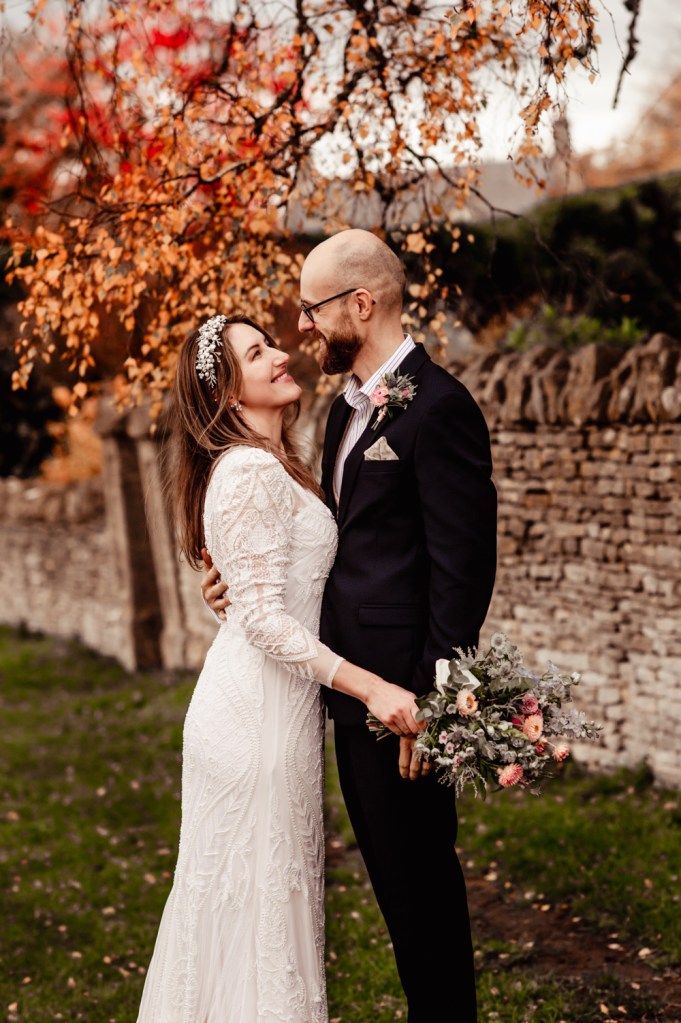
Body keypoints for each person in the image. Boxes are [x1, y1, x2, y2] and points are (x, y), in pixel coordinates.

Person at [204, 229, 498, 1022]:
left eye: (311, 309)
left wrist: (432, 710)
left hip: (398, 703)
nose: (302, 328)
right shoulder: (338, 415)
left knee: (424, 899)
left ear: (360, 305)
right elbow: (328, 547)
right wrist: (239, 582)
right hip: (345, 701)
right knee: (398, 899)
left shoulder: (438, 409)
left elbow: (462, 575)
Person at [136, 313, 422, 1023]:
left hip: (274, 711)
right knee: (253, 911)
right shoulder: (249, 471)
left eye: (270, 342)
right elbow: (263, 620)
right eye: (256, 353)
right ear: (228, 395)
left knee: (258, 914)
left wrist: (229, 602)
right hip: (252, 726)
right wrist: (372, 685)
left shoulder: (278, 462)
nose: (281, 354)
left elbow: (261, 597)